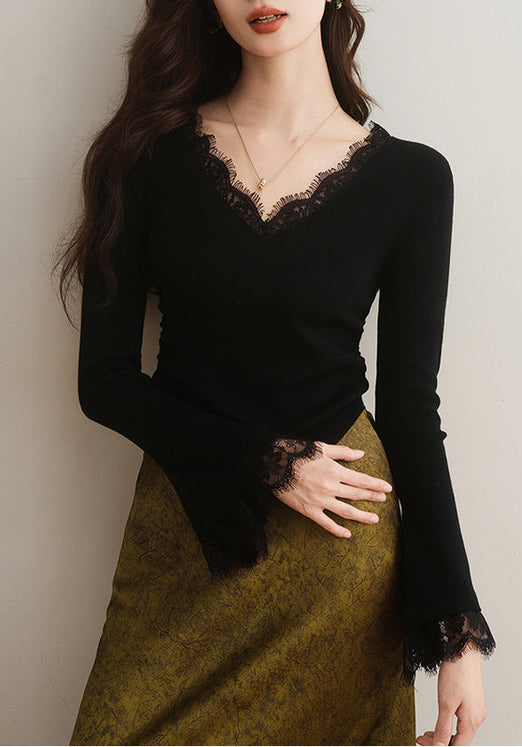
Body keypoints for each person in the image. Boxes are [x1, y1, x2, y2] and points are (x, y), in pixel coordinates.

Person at [53, 1, 496, 744]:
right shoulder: (142, 159)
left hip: (339, 548)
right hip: (187, 529)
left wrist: (456, 633)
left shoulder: (413, 178)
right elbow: (105, 382)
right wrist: (265, 462)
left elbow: (412, 412)